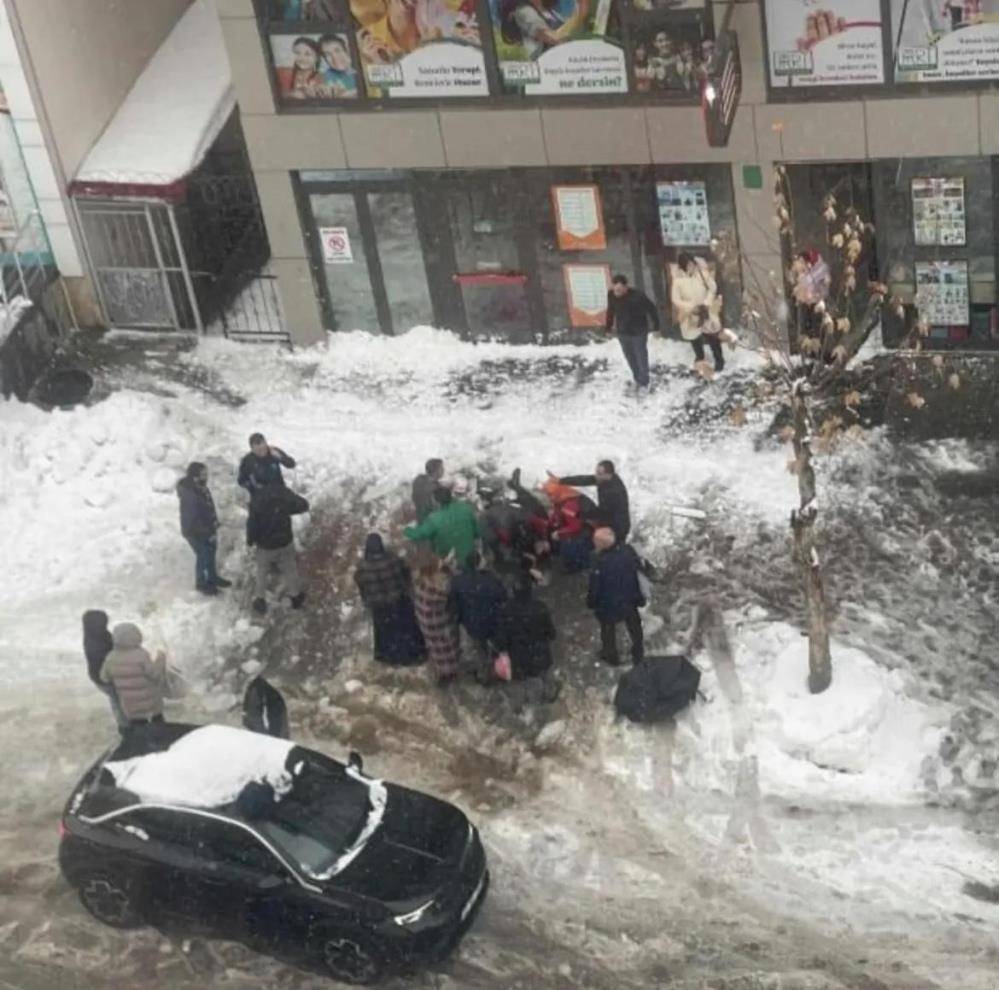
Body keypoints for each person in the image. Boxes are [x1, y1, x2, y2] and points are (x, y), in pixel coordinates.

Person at [353, 533, 426, 665]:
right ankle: (414, 654)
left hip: (379, 606)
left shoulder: (362, 568)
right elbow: (406, 574)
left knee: (386, 633)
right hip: (399, 601)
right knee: (407, 629)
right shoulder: (393, 560)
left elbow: (362, 586)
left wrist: (369, 600)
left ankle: (391, 657)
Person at [247, 479, 310, 615]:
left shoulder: (257, 499)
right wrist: (286, 510)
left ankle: (260, 599)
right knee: (290, 569)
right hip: (284, 541)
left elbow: (252, 524)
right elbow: (303, 505)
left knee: (262, 571)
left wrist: (250, 540)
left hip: (265, 545)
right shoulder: (283, 493)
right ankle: (296, 596)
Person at [587, 528, 645, 666]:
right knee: (634, 626)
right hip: (629, 596)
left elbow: (595, 585)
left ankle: (611, 656)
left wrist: (591, 601)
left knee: (607, 630)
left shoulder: (597, 560)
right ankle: (638, 651)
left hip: (608, 602)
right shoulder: (627, 550)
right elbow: (637, 568)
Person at [176, 462, 231, 596]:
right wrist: (206, 531)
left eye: (206, 474)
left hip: (207, 528)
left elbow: (208, 506)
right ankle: (201, 583)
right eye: (203, 474)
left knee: (211, 552)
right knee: (203, 555)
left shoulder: (201, 488)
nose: (206, 477)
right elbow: (192, 517)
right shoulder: (190, 494)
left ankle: (212, 577)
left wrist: (214, 522)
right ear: (195, 476)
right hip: (195, 531)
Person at [99, 622, 168, 727]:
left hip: (130, 705)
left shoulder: (111, 657)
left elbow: (104, 678)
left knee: (138, 726)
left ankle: (140, 736)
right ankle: (161, 735)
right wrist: (160, 659)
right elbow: (154, 674)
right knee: (158, 723)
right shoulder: (141, 655)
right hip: (150, 702)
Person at [448, 552, 507, 668]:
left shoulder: (457, 581)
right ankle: (495, 663)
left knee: (478, 647)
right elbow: (502, 597)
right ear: (480, 564)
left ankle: (482, 665)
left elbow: (453, 605)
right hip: (491, 621)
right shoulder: (491, 579)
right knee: (494, 645)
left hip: (470, 623)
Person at [492, 576, 556, 681]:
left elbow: (501, 639)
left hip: (519, 659)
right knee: (543, 675)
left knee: (527, 679)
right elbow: (551, 633)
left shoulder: (506, 611)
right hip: (540, 654)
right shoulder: (540, 607)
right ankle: (545, 685)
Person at [550, 460, 630, 544]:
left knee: (610, 546)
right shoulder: (603, 479)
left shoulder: (614, 492)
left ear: (609, 474)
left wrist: (578, 514)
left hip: (618, 527)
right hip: (608, 519)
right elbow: (584, 480)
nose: (596, 476)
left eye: (599, 474)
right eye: (596, 472)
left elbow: (601, 512)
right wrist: (561, 481)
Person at [671, 252, 724, 373]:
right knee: (694, 337)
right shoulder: (678, 280)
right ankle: (700, 357)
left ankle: (719, 360)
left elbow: (712, 288)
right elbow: (675, 299)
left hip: (705, 310)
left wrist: (706, 302)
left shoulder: (701, 274)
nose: (691, 267)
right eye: (688, 265)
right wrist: (690, 306)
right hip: (690, 313)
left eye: (692, 264)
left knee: (712, 336)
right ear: (683, 266)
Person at [413, 553, 461, 685]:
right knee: (446, 646)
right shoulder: (437, 592)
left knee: (435, 647)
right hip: (437, 623)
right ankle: (448, 672)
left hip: (425, 621)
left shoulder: (421, 584)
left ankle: (442, 670)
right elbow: (449, 597)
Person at [404, 484, 479, 568]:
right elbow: (477, 532)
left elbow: (418, 534)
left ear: (437, 502)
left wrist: (407, 529)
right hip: (472, 558)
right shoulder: (466, 509)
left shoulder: (434, 519)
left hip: (451, 561)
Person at [605, 274, 659, 390]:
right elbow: (610, 311)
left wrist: (656, 327)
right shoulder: (611, 295)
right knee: (630, 357)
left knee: (641, 357)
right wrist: (608, 328)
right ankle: (637, 378)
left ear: (626, 287)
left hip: (638, 332)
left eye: (620, 290)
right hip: (623, 332)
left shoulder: (638, 296)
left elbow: (652, 309)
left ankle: (644, 382)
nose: (617, 292)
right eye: (615, 289)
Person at [499, 0, 591, 60]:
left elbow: (569, 34)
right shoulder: (524, 12)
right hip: (547, 67)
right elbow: (553, 38)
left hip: (564, 65)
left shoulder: (551, 13)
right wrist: (580, 14)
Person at [83, 610, 127, 729]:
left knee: (117, 699)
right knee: (117, 700)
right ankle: (125, 726)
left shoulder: (94, 634)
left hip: (99, 676)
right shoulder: (96, 644)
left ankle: (125, 724)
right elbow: (112, 658)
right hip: (105, 677)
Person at [541, 478, 593, 574]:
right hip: (579, 528)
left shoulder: (569, 505)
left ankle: (577, 566)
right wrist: (546, 533)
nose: (548, 497)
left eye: (549, 494)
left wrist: (558, 533)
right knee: (558, 535)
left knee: (567, 542)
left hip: (585, 532)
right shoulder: (561, 501)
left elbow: (575, 527)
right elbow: (554, 518)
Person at [412, 458, 444, 522]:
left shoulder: (418, 479)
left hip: (419, 517)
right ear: (436, 471)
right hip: (430, 521)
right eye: (441, 468)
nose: (443, 470)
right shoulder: (436, 488)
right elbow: (437, 507)